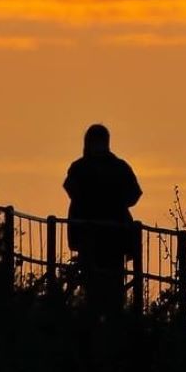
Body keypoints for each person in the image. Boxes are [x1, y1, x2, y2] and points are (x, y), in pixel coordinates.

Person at [63, 124, 142, 315]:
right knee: (98, 283)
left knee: (109, 283)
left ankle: (108, 317)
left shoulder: (88, 167)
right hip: (96, 235)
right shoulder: (83, 168)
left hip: (107, 236)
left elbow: (134, 194)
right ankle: (102, 317)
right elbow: (134, 194)